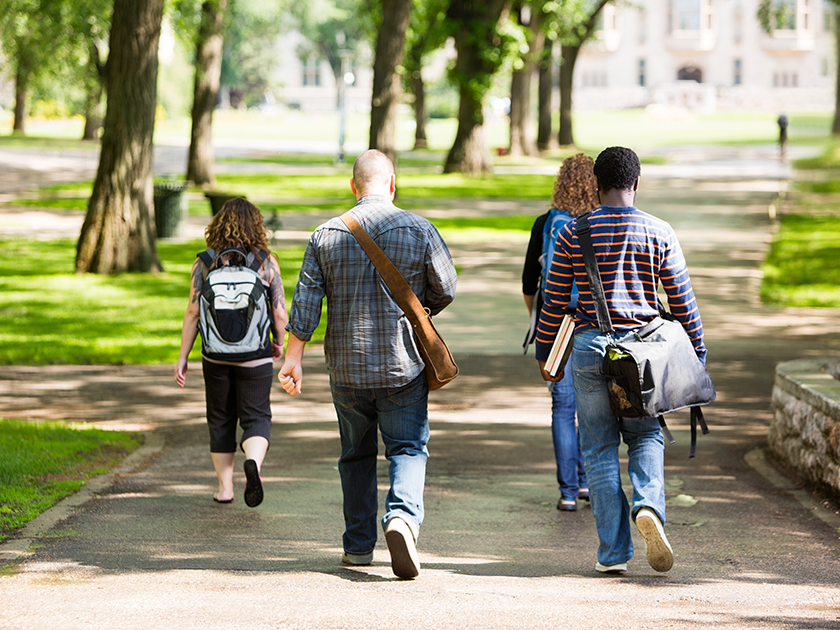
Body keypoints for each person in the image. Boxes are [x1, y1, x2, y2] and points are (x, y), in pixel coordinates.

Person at [278, 149, 457, 580]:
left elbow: (305, 304)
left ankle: (358, 547)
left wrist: (293, 360)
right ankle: (402, 519)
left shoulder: (325, 235)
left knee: (355, 455)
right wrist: (418, 309)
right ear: (392, 183)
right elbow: (446, 287)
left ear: (354, 186)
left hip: (347, 368)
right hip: (403, 364)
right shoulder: (420, 229)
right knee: (408, 447)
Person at [534, 146, 707, 575]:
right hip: (644, 353)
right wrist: (697, 355)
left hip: (591, 348)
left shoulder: (574, 231)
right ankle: (648, 506)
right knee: (646, 435)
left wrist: (544, 354)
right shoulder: (659, 231)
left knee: (597, 449)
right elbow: (684, 305)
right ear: (637, 182)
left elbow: (553, 301)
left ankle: (613, 553)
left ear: (596, 183)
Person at [175, 198, 288, 507]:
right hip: (256, 354)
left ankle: (225, 488)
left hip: (215, 356)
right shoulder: (265, 261)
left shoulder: (205, 262)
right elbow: (279, 313)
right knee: (256, 416)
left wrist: (183, 357)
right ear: (257, 226)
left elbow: (193, 312)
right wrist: (278, 344)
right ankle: (253, 463)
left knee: (221, 418)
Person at [522, 154, 598, 512]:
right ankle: (587, 483)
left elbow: (528, 282)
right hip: (594, 324)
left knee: (562, 406)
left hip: (557, 325)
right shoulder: (602, 222)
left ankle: (568, 491)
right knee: (594, 407)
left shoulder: (545, 223)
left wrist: (541, 322)